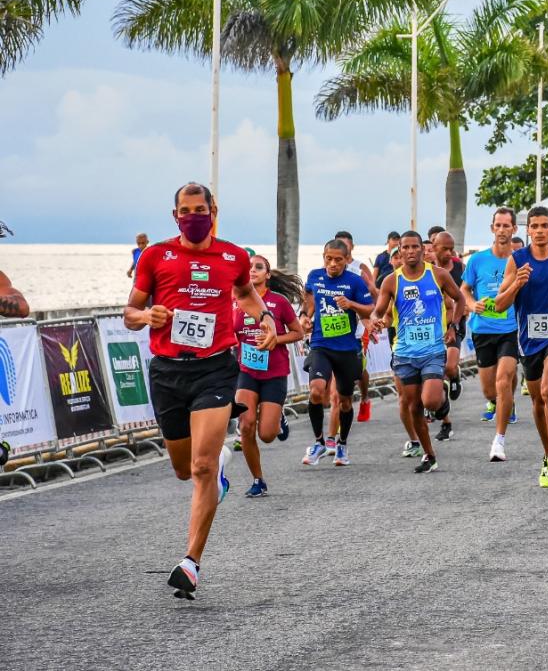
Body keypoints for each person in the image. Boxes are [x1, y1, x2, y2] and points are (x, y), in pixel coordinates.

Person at [125, 182, 277, 599]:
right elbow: (129, 312)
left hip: (215, 369)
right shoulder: (156, 255)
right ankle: (221, 471)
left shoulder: (233, 256)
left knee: (201, 468)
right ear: (174, 214)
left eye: (200, 209)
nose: (193, 216)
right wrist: (146, 314)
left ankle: (190, 562)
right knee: (182, 468)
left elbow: (245, 294)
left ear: (214, 210)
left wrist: (264, 318)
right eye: (185, 210)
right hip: (168, 372)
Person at [495, 206, 548, 487]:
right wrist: (517, 284)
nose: (540, 231)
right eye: (535, 226)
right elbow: (500, 304)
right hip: (529, 339)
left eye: (545, 225)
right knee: (536, 400)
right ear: (528, 230)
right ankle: (547, 454)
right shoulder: (516, 260)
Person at [370, 231, 466, 474]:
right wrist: (375, 320)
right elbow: (378, 310)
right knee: (413, 406)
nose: (411, 251)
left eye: (415, 247)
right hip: (404, 352)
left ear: (423, 250)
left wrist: (453, 326)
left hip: (433, 349)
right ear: (399, 251)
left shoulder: (438, 275)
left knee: (430, 401)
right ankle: (429, 454)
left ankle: (441, 402)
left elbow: (460, 299)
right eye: (406, 248)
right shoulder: (392, 281)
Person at [233, 255, 305, 497]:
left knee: (266, 434)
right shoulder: (236, 301)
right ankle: (257, 479)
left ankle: (277, 418)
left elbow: (298, 333)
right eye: (249, 267)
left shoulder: (278, 302)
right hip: (247, 371)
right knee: (246, 425)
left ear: (268, 275)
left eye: (258, 267)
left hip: (274, 372)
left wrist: (275, 339)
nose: (252, 270)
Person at [299, 239, 374, 468]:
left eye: (338, 260)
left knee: (344, 402)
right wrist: (304, 316)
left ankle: (342, 443)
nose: (332, 264)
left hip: (346, 348)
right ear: (323, 257)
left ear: (346, 259)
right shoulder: (314, 276)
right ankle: (319, 443)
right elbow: (309, 301)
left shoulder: (355, 281)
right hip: (321, 345)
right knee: (316, 391)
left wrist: (350, 304)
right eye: (328, 259)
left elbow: (369, 308)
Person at [461, 208, 520, 461]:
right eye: (499, 225)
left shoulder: (520, 260)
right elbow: (465, 288)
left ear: (514, 229)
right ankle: (504, 401)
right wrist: (472, 304)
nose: (503, 230)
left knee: (503, 380)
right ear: (492, 228)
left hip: (510, 328)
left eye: (507, 225)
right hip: (483, 329)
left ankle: (499, 441)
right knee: (489, 391)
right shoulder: (477, 260)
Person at [332, 230, 377, 429]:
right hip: (336, 330)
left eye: (345, 244)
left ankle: (365, 398)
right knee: (339, 378)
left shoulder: (360, 268)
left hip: (359, 327)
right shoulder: (330, 267)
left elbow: (373, 295)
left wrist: (371, 320)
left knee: (359, 371)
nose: (341, 247)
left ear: (352, 247)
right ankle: (340, 409)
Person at [431, 231, 467, 440]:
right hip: (431, 330)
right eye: (444, 248)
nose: (449, 253)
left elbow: (463, 296)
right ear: (433, 247)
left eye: (451, 248)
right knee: (436, 376)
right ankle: (445, 422)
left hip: (454, 325)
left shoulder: (459, 269)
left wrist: (455, 320)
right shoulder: (425, 271)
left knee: (449, 367)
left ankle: (455, 377)